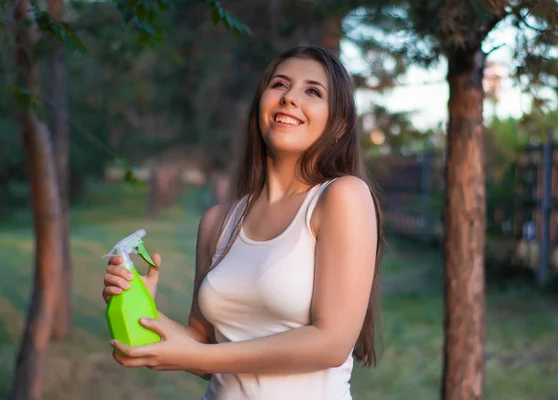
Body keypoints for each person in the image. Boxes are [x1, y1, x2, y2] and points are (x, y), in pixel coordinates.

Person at [102, 45, 384, 400]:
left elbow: (331, 343)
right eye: (280, 85)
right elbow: (205, 352)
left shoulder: (341, 197)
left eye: (312, 91)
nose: (289, 98)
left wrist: (204, 354)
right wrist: (144, 310)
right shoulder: (217, 222)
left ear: (339, 123)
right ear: (260, 105)